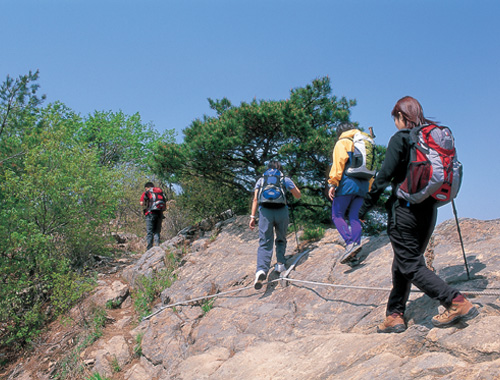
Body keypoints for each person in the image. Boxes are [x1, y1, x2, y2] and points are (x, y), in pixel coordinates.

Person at [358, 96, 478, 333]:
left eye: (395, 118)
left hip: (404, 211)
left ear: (401, 117)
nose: (395, 123)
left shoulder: (402, 139)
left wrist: (362, 209)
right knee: (403, 261)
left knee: (410, 264)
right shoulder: (431, 139)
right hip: (429, 212)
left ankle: (455, 302)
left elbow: (383, 177)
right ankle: (394, 314)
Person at [249, 161, 301, 290]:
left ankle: (261, 270)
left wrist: (252, 217)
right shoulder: (284, 179)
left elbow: (255, 199)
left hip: (265, 212)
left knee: (265, 241)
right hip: (281, 211)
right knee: (281, 238)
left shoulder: (261, 180)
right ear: (280, 168)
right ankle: (280, 263)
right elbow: (298, 195)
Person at [328, 123, 372, 264]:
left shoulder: (343, 142)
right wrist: (369, 187)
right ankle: (355, 248)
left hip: (348, 183)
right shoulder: (365, 143)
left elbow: (338, 163)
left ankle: (349, 243)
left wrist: (333, 183)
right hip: (363, 184)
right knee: (354, 216)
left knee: (337, 215)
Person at [140, 182, 166, 250]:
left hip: (150, 213)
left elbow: (141, 203)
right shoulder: (160, 192)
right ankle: (157, 247)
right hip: (160, 213)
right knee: (157, 231)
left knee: (150, 232)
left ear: (146, 188)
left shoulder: (147, 192)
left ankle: (149, 249)